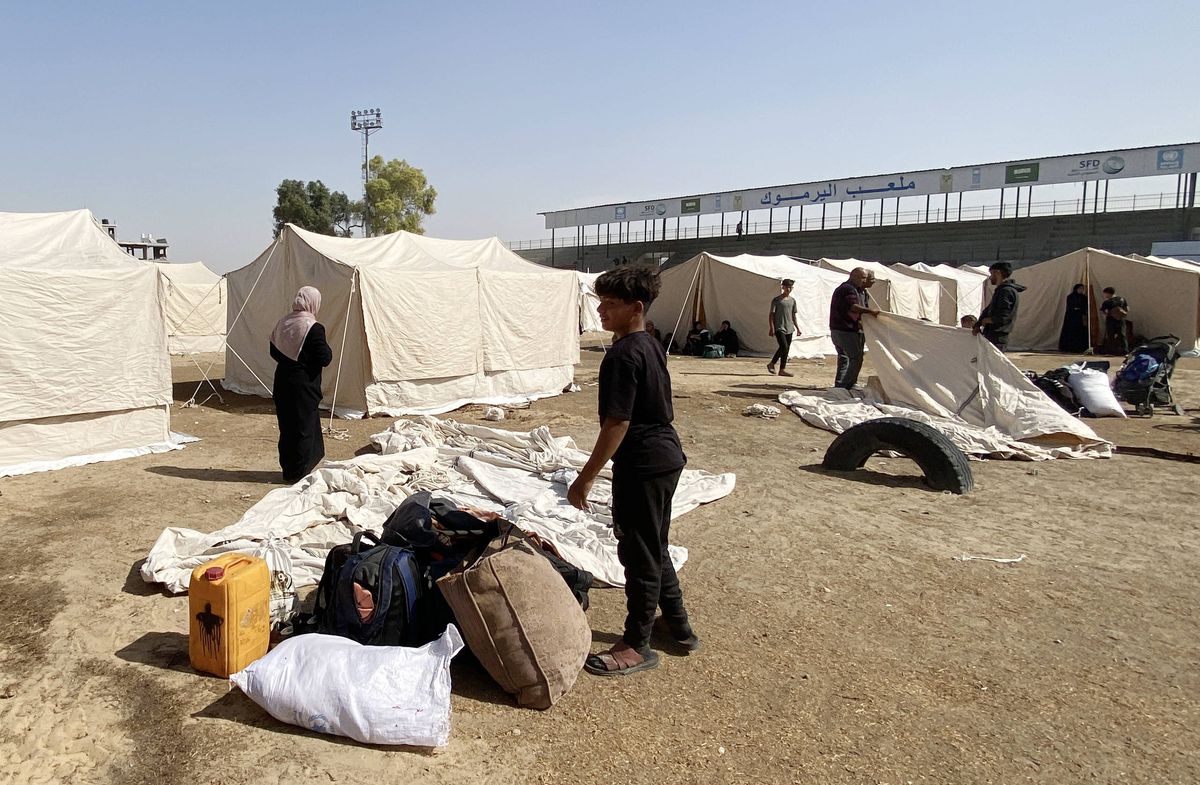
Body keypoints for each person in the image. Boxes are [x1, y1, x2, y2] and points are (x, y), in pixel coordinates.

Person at [568, 266, 697, 676]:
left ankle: (637, 643)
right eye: (600, 302)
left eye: (610, 304)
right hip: (664, 457)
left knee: (638, 553)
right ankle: (678, 627)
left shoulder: (622, 356)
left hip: (642, 462)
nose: (601, 311)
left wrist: (584, 477)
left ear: (635, 308)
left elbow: (616, 424)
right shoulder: (650, 344)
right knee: (654, 545)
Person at [270, 286, 333, 483]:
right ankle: (300, 473)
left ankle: (289, 470)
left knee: (287, 427)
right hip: (303, 384)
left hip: (283, 381)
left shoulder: (283, 323)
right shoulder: (313, 328)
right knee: (303, 428)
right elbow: (324, 357)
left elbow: (274, 351)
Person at [829, 267, 879, 389]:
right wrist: (871, 311)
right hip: (845, 329)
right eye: (864, 278)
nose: (865, 281)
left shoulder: (861, 292)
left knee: (845, 358)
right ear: (854, 276)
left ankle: (841, 384)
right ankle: (846, 385)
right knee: (856, 357)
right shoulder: (847, 289)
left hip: (846, 329)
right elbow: (853, 307)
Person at [973, 262, 1025, 352]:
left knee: (992, 364)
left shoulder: (1006, 291)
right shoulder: (1001, 290)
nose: (990, 277)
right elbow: (988, 310)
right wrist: (978, 324)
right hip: (992, 334)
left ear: (997, 273)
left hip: (998, 337)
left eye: (992, 274)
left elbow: (1004, 316)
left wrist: (988, 320)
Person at [767, 279, 800, 377]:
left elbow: (793, 315)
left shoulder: (792, 301)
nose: (788, 289)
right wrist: (772, 327)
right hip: (779, 327)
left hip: (789, 327)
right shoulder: (777, 300)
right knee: (783, 346)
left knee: (786, 349)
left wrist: (797, 328)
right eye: (787, 287)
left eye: (790, 287)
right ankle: (772, 363)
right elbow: (771, 315)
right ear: (783, 287)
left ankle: (782, 369)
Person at [1058, 283, 1089, 353]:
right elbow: (1070, 305)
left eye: (1082, 289)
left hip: (1080, 316)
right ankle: (1069, 347)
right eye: (1080, 288)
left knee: (1080, 331)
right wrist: (1075, 308)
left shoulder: (1084, 297)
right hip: (1071, 316)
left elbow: (1085, 306)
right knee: (1071, 331)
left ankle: (1080, 347)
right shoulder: (1070, 296)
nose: (1081, 290)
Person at [1099, 286, 1130, 355]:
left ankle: (1111, 351)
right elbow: (1127, 309)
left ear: (1108, 293)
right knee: (1122, 336)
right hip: (1121, 320)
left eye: (1105, 294)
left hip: (1111, 320)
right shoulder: (1122, 299)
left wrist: (1110, 313)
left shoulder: (1107, 302)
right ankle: (1125, 351)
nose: (1105, 295)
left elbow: (1104, 311)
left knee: (1111, 336)